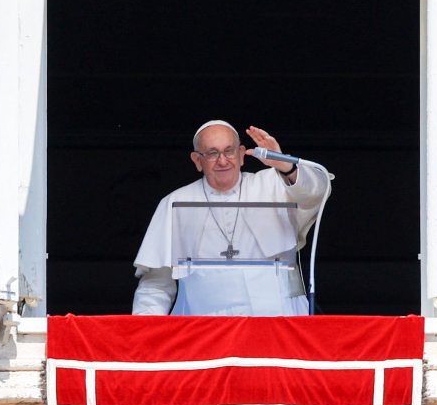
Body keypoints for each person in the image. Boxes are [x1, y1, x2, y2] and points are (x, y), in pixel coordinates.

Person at [132, 121, 330, 316]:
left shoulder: (274, 182)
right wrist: (144, 333)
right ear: (197, 160)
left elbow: (318, 191)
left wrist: (285, 165)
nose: (223, 161)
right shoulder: (175, 202)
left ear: (242, 154)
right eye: (211, 153)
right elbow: (156, 285)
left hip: (279, 316)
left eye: (229, 150)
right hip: (205, 325)